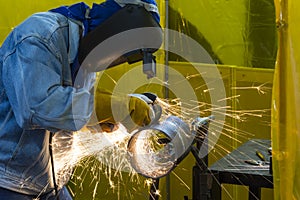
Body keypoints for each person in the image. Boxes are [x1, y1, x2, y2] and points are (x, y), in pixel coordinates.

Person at [0, 0, 160, 199]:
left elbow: (72, 113)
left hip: (52, 183)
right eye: (120, 54)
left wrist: (106, 119)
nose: (116, 61)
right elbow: (38, 109)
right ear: (116, 28)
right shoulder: (38, 35)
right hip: (9, 183)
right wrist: (112, 106)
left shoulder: (85, 53)